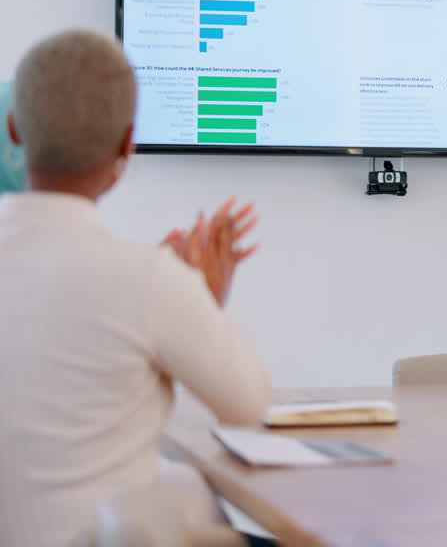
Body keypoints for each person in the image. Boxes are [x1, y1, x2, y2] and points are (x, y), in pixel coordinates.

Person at [0, 30, 272, 546]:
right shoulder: (149, 280)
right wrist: (199, 300)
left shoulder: (149, 280)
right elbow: (250, 408)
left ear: (14, 130)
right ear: (126, 144)